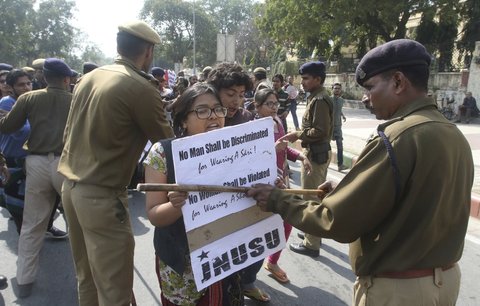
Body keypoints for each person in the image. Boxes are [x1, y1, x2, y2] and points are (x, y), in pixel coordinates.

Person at [247, 39, 473, 306]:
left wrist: (276, 199)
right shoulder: (452, 133)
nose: (365, 97)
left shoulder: (397, 138)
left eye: (370, 87)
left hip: (399, 291)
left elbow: (335, 221)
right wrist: (347, 192)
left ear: (398, 82)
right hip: (445, 283)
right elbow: (409, 204)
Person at [58, 20, 174, 306]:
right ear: (147, 52)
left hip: (71, 189)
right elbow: (169, 146)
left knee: (87, 278)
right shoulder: (141, 87)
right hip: (102, 197)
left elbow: (67, 133)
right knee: (115, 290)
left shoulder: (89, 77)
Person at [144, 83, 233, 306]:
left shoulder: (234, 149)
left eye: (217, 109)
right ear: (183, 120)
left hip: (224, 256)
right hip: (181, 264)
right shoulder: (163, 153)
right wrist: (176, 204)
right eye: (202, 110)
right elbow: (155, 214)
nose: (213, 116)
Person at [0, 58, 74, 298]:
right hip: (66, 164)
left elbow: (8, 127)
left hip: (37, 163)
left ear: (43, 77)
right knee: (80, 223)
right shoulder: (75, 100)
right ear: (66, 79)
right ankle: (88, 278)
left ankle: (24, 280)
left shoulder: (28, 98)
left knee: (32, 225)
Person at [254, 87, 311, 285]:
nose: (273, 108)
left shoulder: (278, 121)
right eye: (269, 104)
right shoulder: (251, 128)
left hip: (281, 182)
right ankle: (247, 275)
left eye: (276, 104)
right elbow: (249, 159)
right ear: (257, 106)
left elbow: (284, 149)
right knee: (255, 229)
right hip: (261, 185)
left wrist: (301, 155)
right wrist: (272, 149)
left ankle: (272, 261)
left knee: (287, 223)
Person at [279, 61, 333, 258]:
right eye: (302, 78)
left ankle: (311, 244)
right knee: (314, 197)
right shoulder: (317, 97)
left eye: (306, 78)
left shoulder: (319, 100)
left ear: (318, 79)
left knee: (311, 199)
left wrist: (297, 134)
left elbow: (320, 131)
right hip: (318, 152)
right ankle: (312, 232)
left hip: (316, 154)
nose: (302, 82)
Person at [207, 62, 254, 127]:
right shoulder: (204, 119)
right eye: (230, 94)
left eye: (241, 95)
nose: (236, 102)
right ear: (215, 92)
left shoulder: (246, 118)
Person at [331, 83, 348, 171]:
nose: (337, 90)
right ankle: (324, 163)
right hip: (329, 127)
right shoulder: (329, 100)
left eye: (338, 88)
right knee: (326, 145)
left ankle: (340, 165)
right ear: (332, 89)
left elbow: (339, 110)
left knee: (340, 145)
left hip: (338, 127)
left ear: (340, 90)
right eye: (335, 88)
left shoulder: (341, 100)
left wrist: (343, 115)